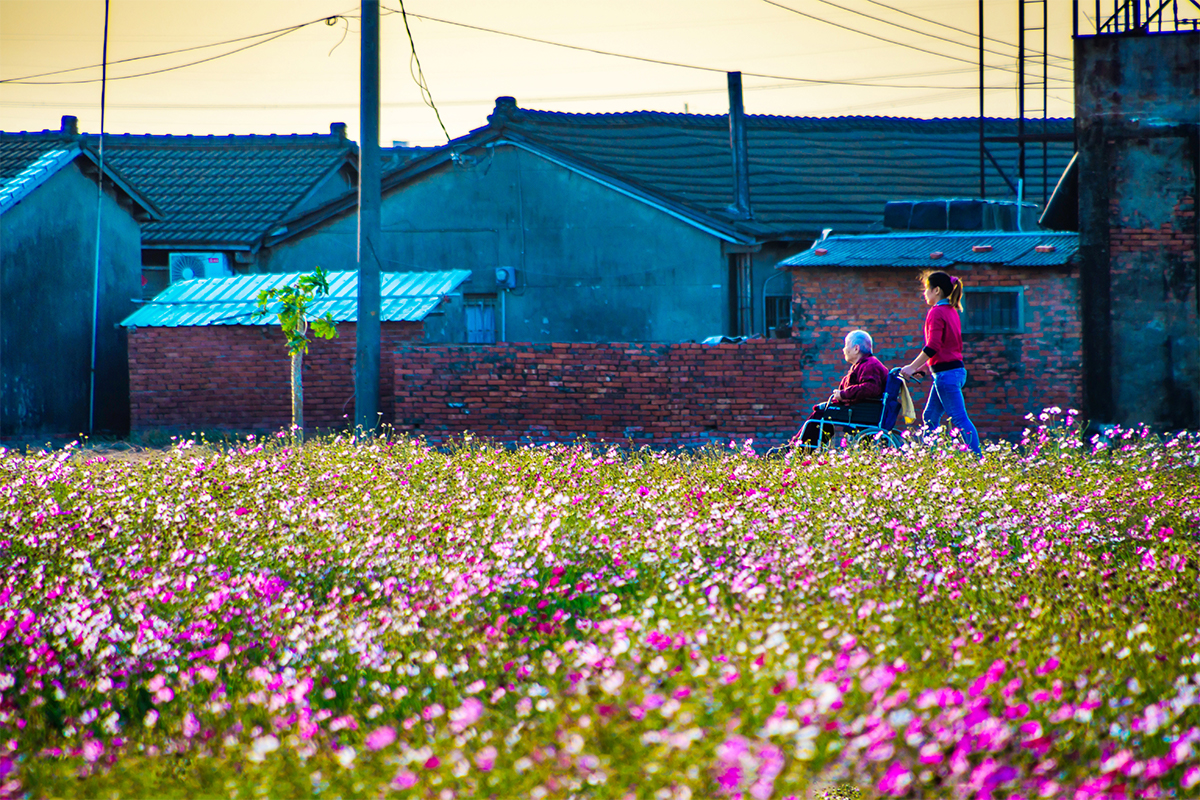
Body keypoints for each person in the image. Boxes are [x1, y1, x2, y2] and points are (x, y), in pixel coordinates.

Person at [900, 270, 983, 457]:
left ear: (936, 290)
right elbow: (945, 346)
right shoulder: (951, 310)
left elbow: (933, 346)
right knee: (929, 416)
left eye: (926, 289)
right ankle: (930, 459)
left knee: (960, 419)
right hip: (953, 372)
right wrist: (923, 369)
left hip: (946, 375)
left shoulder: (936, 312)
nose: (924, 293)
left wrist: (912, 367)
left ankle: (978, 460)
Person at [799, 330, 888, 446]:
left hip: (861, 411)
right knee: (823, 411)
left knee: (820, 415)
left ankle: (800, 448)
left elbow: (870, 388)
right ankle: (803, 446)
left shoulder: (869, 365)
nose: (843, 350)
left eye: (846, 346)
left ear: (856, 348)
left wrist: (843, 394)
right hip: (857, 408)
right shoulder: (863, 364)